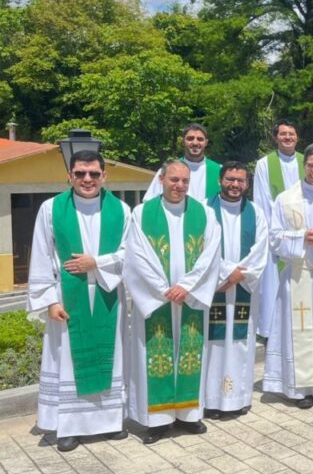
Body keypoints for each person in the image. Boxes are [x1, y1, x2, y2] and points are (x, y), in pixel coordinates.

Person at [28, 150, 131, 452]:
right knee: (69, 362)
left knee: (110, 358)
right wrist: (49, 301)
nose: (88, 179)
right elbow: (41, 254)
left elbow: (131, 253)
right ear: (69, 176)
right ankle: (69, 427)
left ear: (104, 176)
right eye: (81, 173)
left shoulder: (121, 210)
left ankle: (110, 422)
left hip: (108, 293)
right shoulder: (51, 209)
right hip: (68, 297)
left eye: (94, 174)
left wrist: (96, 262)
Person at [124, 160, 221, 445]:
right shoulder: (142, 213)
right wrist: (163, 290)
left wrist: (187, 286)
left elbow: (211, 254)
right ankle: (158, 421)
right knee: (156, 355)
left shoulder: (204, 213)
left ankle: (189, 415)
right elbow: (136, 256)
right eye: (174, 180)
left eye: (184, 181)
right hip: (157, 300)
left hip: (190, 298)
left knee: (190, 354)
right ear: (161, 180)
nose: (179, 186)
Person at [265, 144, 313, 409]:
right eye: (311, 165)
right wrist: (303, 237)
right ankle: (301, 390)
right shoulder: (285, 199)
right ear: (304, 165)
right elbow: (274, 238)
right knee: (301, 331)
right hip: (299, 274)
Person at [205, 162, 268, 419]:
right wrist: (225, 273)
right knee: (213, 344)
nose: (235, 185)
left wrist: (237, 275)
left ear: (247, 184)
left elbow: (261, 249)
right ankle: (210, 400)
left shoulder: (256, 212)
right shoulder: (205, 210)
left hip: (242, 288)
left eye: (240, 180)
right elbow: (201, 249)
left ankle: (239, 398)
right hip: (214, 289)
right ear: (220, 180)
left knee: (241, 343)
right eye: (230, 179)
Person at [253, 119, 302, 339]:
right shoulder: (264, 164)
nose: (287, 137)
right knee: (272, 282)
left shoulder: (307, 161)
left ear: (297, 137)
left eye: (291, 134)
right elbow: (262, 199)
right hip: (276, 233)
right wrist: (274, 231)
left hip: (302, 234)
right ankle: (271, 331)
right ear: (276, 137)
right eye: (283, 134)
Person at [143, 123, 221, 202]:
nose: (195, 143)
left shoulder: (220, 171)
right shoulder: (168, 170)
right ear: (183, 141)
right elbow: (149, 202)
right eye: (190, 138)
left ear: (206, 143)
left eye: (200, 139)